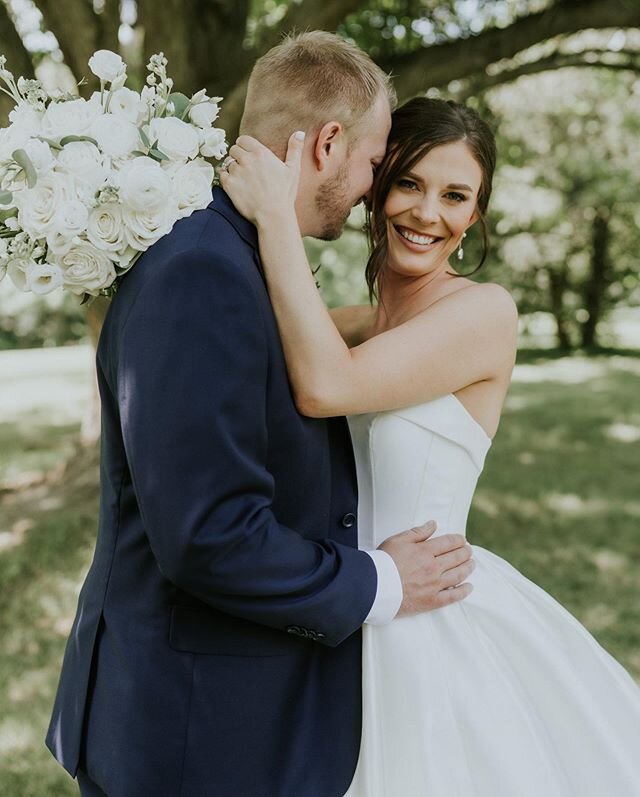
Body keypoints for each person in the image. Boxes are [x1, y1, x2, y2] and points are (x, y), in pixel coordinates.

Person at [45, 34, 476, 797]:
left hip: (231, 719)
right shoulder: (205, 271)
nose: (374, 189)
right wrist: (380, 581)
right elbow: (210, 535)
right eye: (378, 164)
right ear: (330, 143)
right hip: (192, 733)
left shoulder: (232, 257)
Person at [221, 96, 640, 795]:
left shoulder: (482, 314)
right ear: (376, 185)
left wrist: (274, 218)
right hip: (339, 608)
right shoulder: (351, 325)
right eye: (411, 182)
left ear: (475, 214)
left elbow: (326, 386)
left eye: (456, 196)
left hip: (428, 624)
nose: (427, 213)